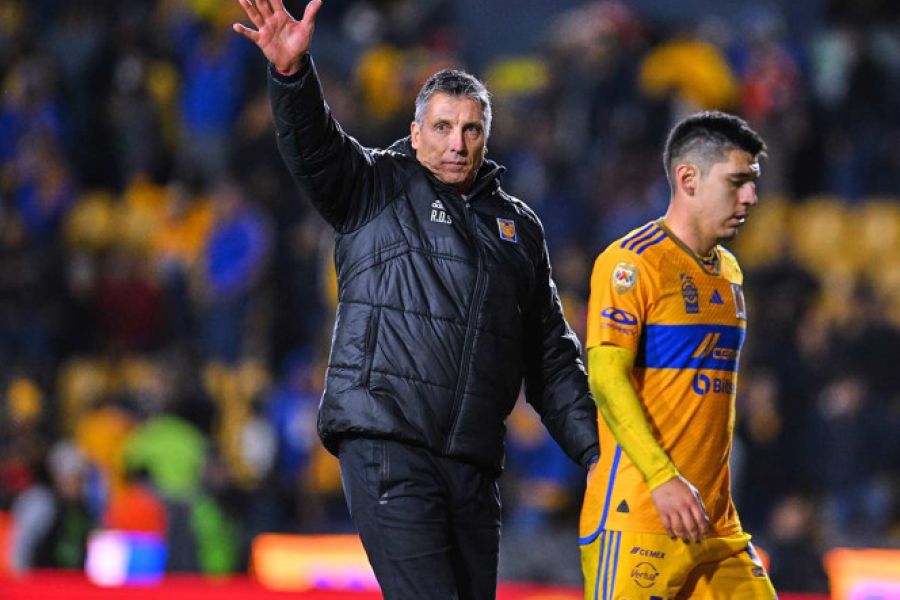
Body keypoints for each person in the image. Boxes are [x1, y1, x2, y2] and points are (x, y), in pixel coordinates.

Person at [232, 1, 600, 598]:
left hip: (474, 467)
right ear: (415, 133)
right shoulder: (373, 186)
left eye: (471, 129)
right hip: (389, 446)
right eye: (442, 127)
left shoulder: (519, 230)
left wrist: (598, 453)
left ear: (486, 137)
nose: (457, 143)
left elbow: (551, 358)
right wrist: (292, 76)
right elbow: (316, 148)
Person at [579, 111, 777, 599]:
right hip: (641, 514)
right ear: (688, 179)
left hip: (715, 524)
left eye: (752, 182)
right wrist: (663, 478)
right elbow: (605, 378)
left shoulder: (729, 272)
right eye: (737, 182)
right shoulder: (632, 262)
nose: (751, 197)